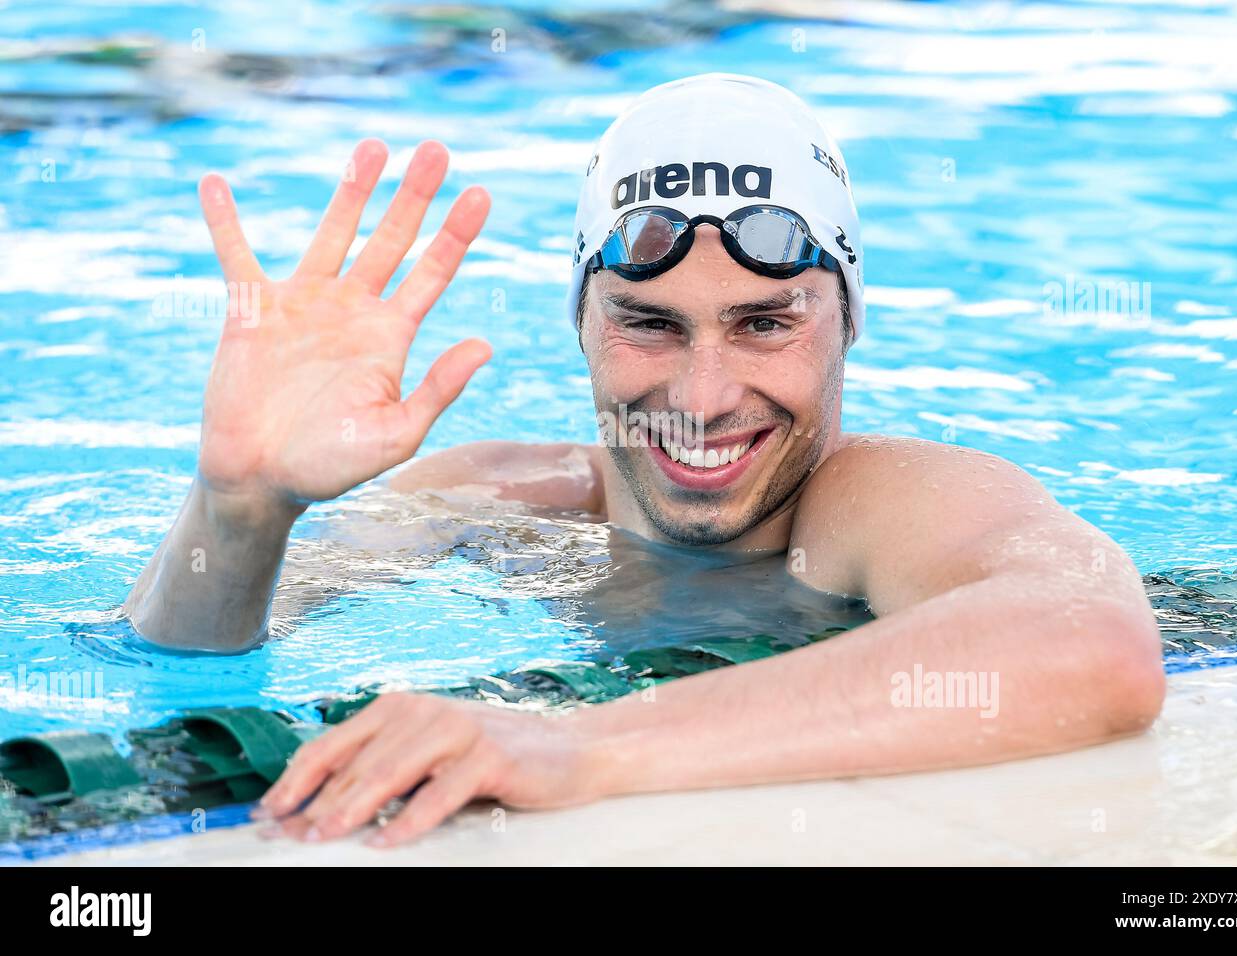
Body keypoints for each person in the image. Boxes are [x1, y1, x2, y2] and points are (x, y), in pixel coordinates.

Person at [124, 74, 1164, 847]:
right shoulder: (489, 501)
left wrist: (581, 745)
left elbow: (1093, 642)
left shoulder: (871, 503)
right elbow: (174, 681)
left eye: (763, 323)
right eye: (649, 324)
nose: (703, 397)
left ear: (847, 320)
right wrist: (239, 511)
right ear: (579, 318)